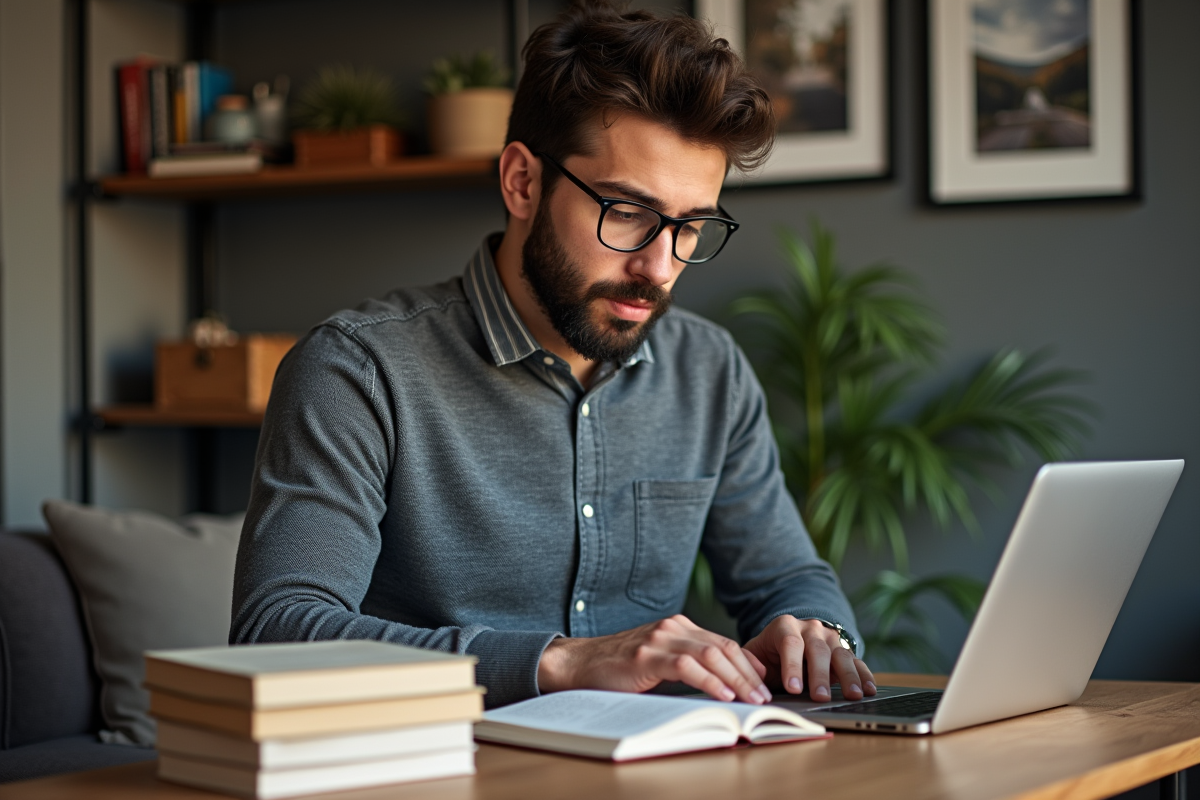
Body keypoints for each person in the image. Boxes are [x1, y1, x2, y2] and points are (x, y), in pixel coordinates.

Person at [231, 1, 876, 710]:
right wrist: (562, 664)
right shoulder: (356, 371)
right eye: (627, 213)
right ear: (522, 182)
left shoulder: (709, 371)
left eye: (691, 226)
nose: (660, 267)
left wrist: (821, 638)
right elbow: (279, 639)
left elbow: (787, 580)